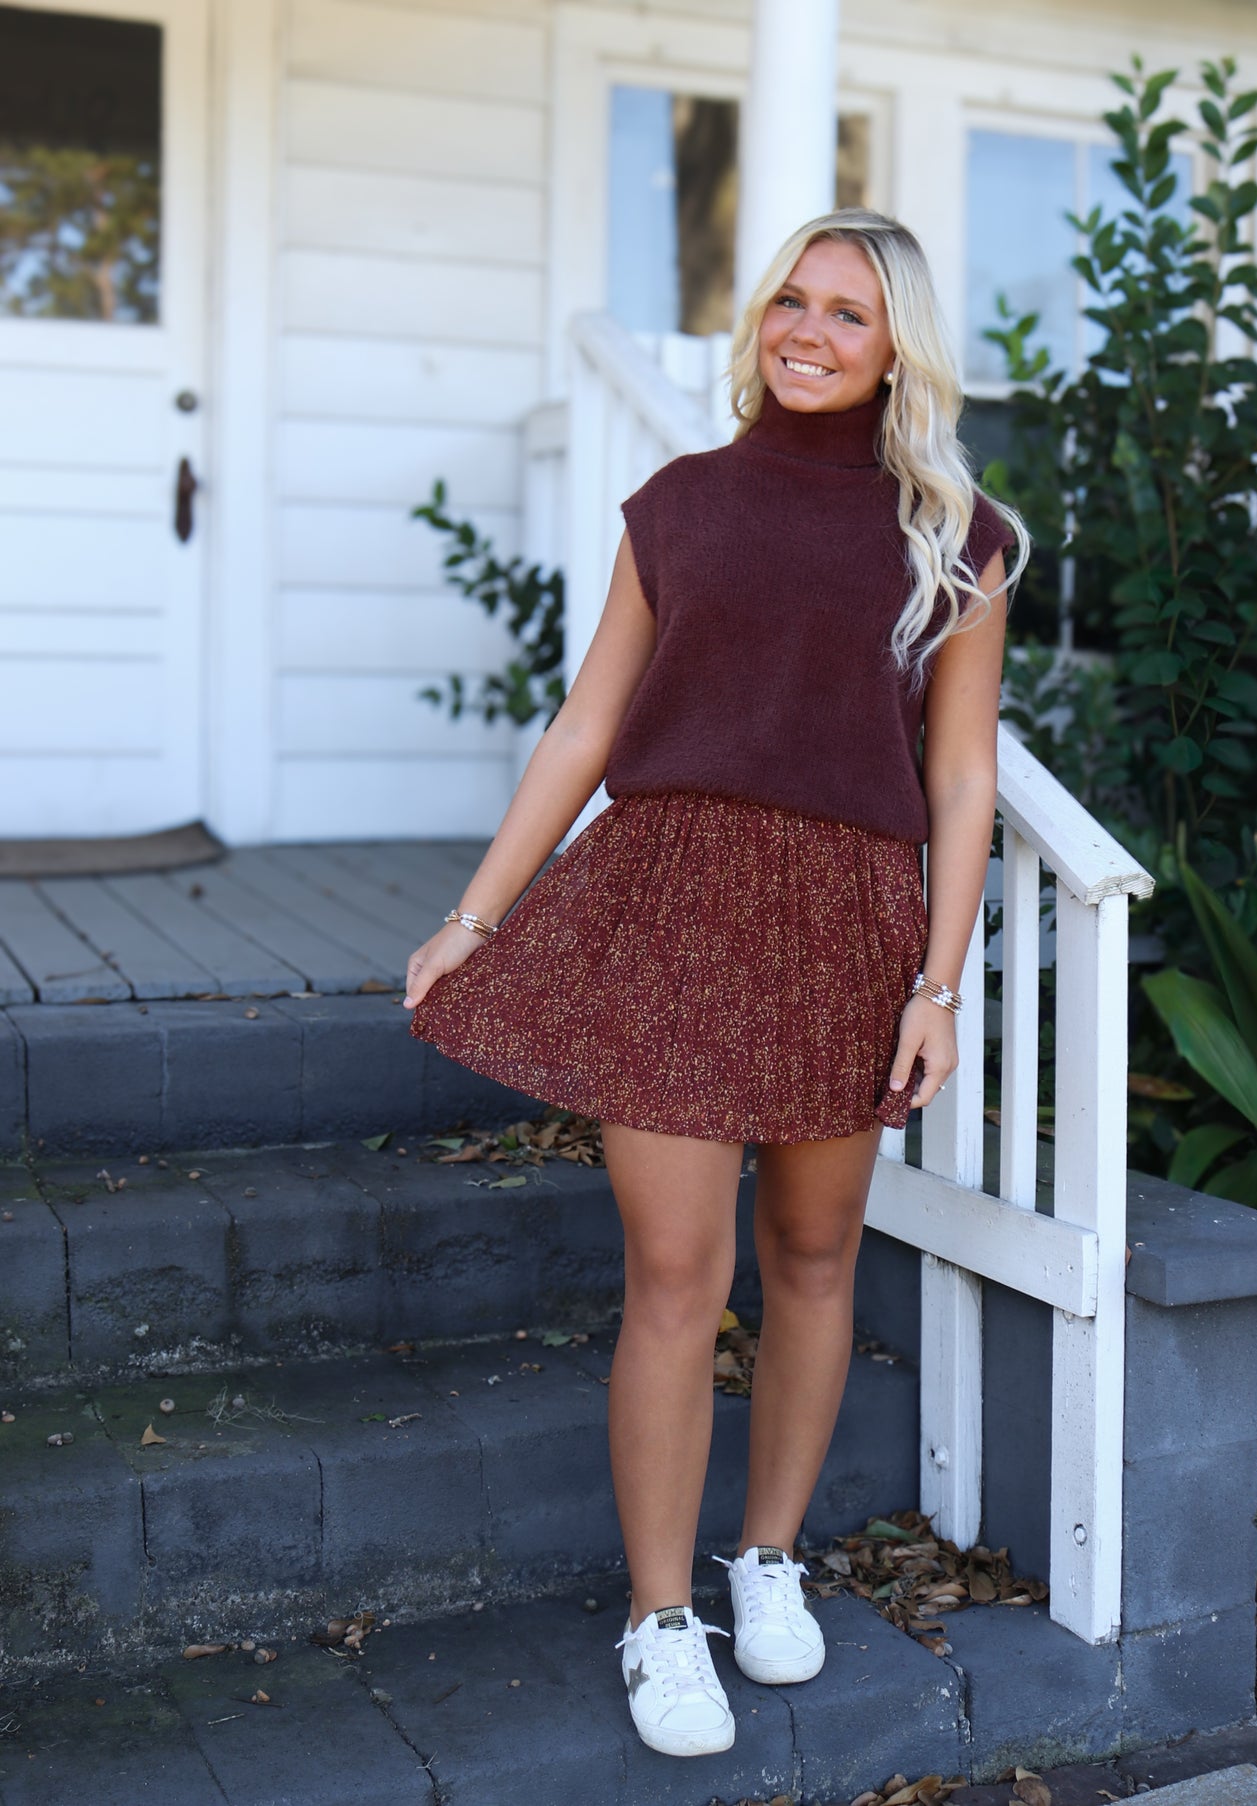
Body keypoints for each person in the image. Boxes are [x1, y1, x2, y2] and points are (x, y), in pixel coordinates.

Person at [403, 207, 1028, 1761]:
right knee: (677, 1274)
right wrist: (476, 914)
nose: (807, 332)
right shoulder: (678, 505)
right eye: (791, 302)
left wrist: (937, 985)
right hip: (673, 907)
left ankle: (767, 1556)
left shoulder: (957, 535)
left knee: (812, 1256)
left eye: (848, 314)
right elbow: (584, 726)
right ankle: (659, 1614)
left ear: (898, 352)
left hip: (849, 920)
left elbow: (961, 777)